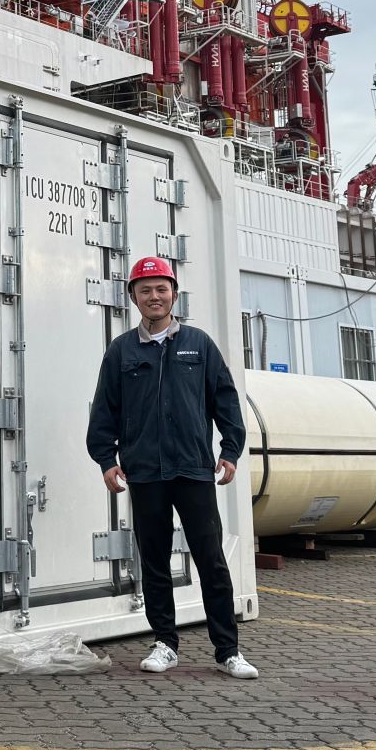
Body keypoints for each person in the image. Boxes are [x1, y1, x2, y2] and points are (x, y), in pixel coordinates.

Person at [85, 254, 258, 678]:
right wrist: (106, 459)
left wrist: (230, 449)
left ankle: (228, 650)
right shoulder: (122, 350)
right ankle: (165, 642)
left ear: (174, 295)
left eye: (161, 288)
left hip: (193, 469)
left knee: (211, 560)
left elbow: (225, 400)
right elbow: (105, 408)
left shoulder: (199, 344)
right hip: (144, 472)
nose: (154, 296)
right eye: (145, 290)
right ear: (134, 298)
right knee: (155, 562)